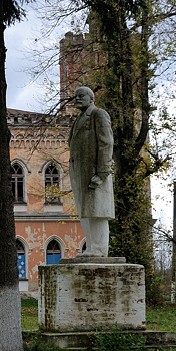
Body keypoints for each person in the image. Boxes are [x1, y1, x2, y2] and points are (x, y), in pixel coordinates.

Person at [68, 86, 115, 257]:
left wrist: (102, 173)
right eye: (75, 96)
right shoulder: (78, 119)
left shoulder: (98, 114)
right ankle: (91, 247)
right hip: (81, 174)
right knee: (86, 212)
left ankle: (99, 249)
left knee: (98, 211)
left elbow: (106, 143)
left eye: (81, 96)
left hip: (95, 174)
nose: (77, 99)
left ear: (91, 98)